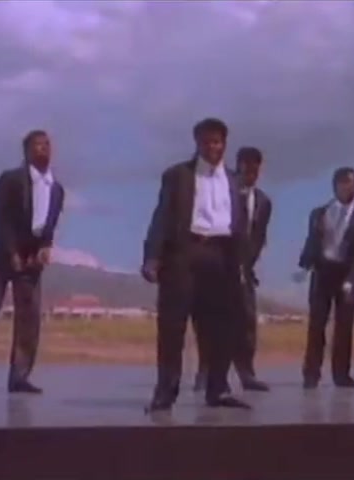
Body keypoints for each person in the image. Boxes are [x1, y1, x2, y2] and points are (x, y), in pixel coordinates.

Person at [141, 117, 251, 411]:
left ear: (224, 144)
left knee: (221, 327)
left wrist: (242, 264)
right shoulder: (178, 175)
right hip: (185, 253)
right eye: (206, 142)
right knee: (172, 327)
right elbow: (162, 216)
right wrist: (152, 257)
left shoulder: (235, 180)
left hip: (221, 257)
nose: (212, 147)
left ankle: (218, 389)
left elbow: (241, 226)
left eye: (217, 142)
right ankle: (166, 392)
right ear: (197, 143)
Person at [0, 130, 65, 394]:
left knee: (29, 317)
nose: (44, 148)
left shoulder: (56, 189)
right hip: (2, 255)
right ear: (27, 151)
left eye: (47, 144)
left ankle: (19, 377)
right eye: (38, 145)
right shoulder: (11, 180)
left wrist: (46, 247)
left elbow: (49, 224)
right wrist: (12, 252)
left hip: (31, 259)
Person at [193, 146, 273, 392]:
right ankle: (206, 371)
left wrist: (247, 264)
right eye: (246, 168)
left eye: (255, 170)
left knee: (246, 320)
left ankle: (246, 372)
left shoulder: (263, 202)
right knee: (211, 322)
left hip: (244, 270)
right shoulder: (223, 191)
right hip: (217, 265)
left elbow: (258, 237)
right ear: (238, 167)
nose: (250, 174)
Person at [294, 167, 354, 389]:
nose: (350, 187)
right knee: (317, 324)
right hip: (323, 271)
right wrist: (304, 265)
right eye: (345, 182)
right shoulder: (320, 213)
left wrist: (352, 278)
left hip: (346, 273)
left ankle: (341, 374)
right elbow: (312, 241)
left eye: (353, 182)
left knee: (344, 327)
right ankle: (311, 373)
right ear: (336, 185)